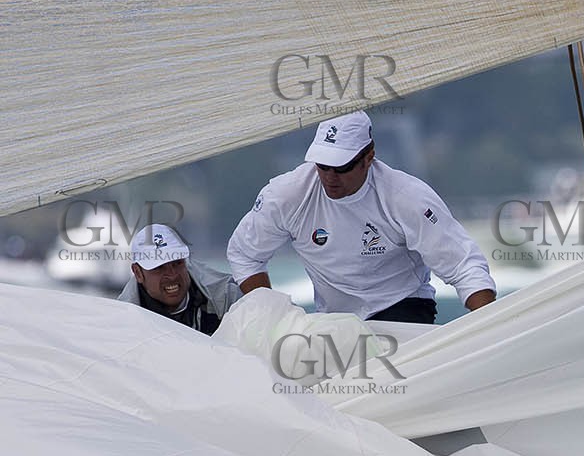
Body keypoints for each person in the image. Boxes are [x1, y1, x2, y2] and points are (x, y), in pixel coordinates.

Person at [227, 111, 496, 324]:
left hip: (403, 308)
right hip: (334, 322)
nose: (330, 177)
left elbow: (464, 266)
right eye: (322, 165)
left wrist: (489, 328)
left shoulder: (406, 196)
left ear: (369, 157)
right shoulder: (286, 195)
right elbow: (245, 254)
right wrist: (274, 320)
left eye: (342, 167)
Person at [117, 224, 242, 336]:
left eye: (177, 263)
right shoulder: (122, 322)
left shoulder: (226, 297)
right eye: (159, 267)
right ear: (138, 273)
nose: (172, 275)